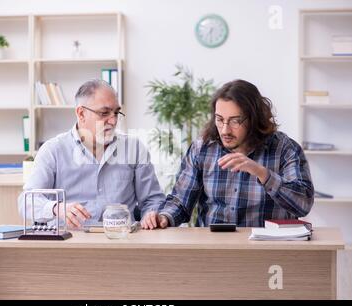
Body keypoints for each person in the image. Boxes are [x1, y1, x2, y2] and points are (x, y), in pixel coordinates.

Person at [142, 79, 314, 229]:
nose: (225, 130)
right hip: (213, 250)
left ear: (254, 118)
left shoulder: (284, 149)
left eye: (235, 121)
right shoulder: (203, 148)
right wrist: (164, 217)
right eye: (219, 119)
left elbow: (303, 205)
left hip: (267, 251)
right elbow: (180, 202)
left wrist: (262, 173)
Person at [18, 79, 165, 228]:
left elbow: (153, 199)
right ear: (81, 113)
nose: (113, 121)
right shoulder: (53, 150)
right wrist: (57, 208)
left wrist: (151, 214)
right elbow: (26, 202)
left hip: (121, 241)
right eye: (104, 113)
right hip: (70, 242)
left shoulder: (134, 148)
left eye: (116, 112)